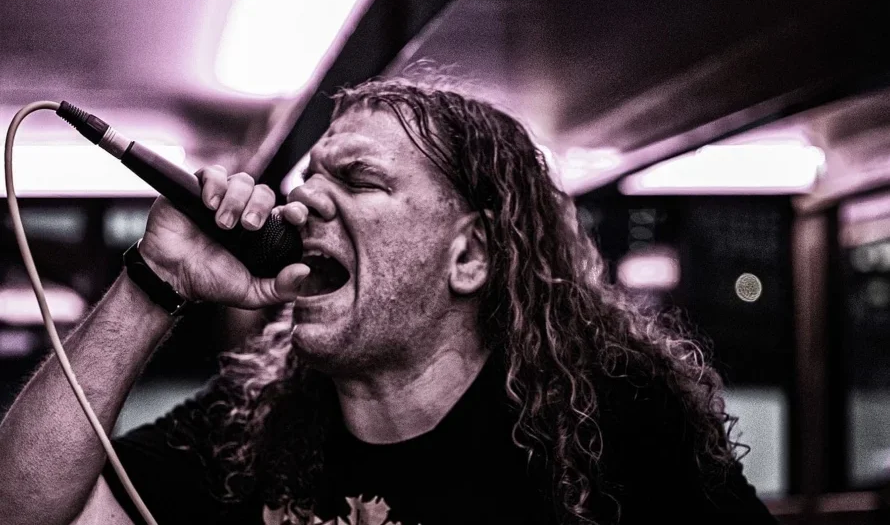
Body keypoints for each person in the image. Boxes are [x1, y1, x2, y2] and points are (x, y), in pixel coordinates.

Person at [0, 79, 778, 525]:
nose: (302, 204)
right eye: (310, 178)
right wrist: (155, 279)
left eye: (360, 182)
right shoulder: (244, 429)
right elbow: (24, 512)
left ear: (468, 255)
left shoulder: (615, 427)